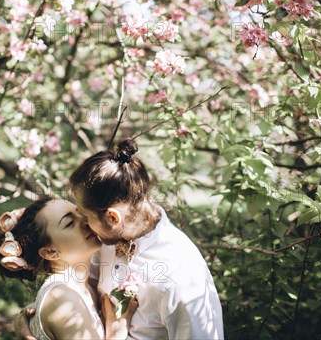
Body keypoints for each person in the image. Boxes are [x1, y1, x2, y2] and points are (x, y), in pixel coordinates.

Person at [15, 138, 224, 339]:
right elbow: (69, 286)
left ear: (112, 217)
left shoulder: (181, 276)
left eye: (86, 216)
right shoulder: (104, 242)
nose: (84, 224)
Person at [0, 197, 137, 340]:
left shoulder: (85, 288)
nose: (86, 220)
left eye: (80, 212)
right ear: (50, 252)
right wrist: (116, 331)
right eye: (69, 223)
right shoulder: (63, 298)